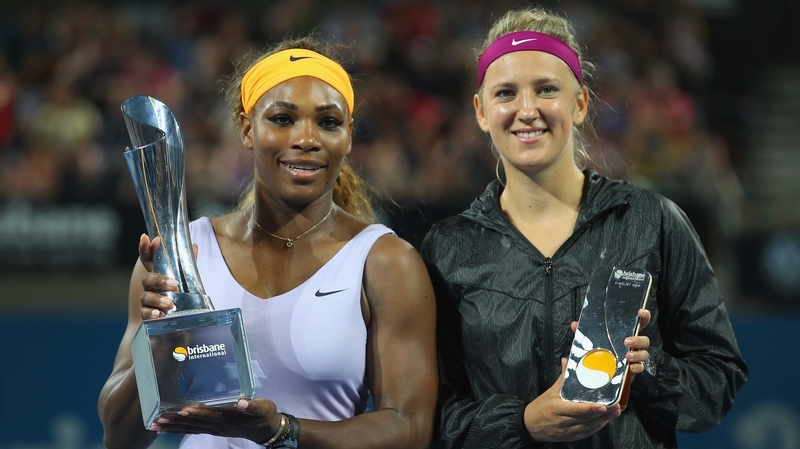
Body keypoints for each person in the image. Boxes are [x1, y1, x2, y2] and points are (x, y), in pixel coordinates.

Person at [420, 7, 748, 448]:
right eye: (505, 93)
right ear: (481, 111)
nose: (527, 109)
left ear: (579, 104)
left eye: (546, 89)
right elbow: (430, 416)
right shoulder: (448, 248)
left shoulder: (652, 221)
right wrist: (524, 422)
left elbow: (719, 381)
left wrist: (647, 369)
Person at [98, 36, 438, 449]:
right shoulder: (181, 253)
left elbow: (411, 430)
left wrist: (283, 431)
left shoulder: (385, 261)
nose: (306, 138)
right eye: (282, 119)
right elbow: (120, 437)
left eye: (328, 122)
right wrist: (161, 336)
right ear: (246, 128)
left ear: (348, 136)